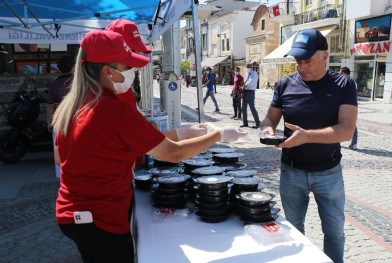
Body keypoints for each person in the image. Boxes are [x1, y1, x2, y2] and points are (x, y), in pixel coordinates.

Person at [52, 30, 248, 262]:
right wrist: (219, 134)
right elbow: (172, 154)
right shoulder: (114, 110)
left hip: (70, 213)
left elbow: (60, 157)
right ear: (108, 71)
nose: (133, 73)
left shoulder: (73, 105)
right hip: (102, 218)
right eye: (128, 68)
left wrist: (182, 133)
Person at [259, 29, 357, 263]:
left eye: (307, 60)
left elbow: (346, 130)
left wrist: (307, 136)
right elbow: (269, 118)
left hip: (329, 173)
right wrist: (267, 130)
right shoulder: (284, 84)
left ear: (325, 56)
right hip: (291, 171)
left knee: (334, 233)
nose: (301, 66)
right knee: (293, 231)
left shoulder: (344, 84)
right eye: (297, 60)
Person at [47, 54, 75, 178]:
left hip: (59, 122)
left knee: (60, 152)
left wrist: (49, 123)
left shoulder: (54, 85)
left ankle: (62, 176)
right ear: (73, 67)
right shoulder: (78, 82)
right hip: (77, 120)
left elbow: (50, 106)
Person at [340, 66, 358, 150]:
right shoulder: (353, 81)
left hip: (344, 105)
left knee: (337, 123)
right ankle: (354, 144)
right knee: (353, 124)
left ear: (343, 73)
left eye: (340, 72)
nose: (339, 74)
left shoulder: (345, 81)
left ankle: (336, 142)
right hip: (353, 106)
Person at [240, 63, 260, 128]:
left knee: (252, 107)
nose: (247, 68)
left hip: (250, 92)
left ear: (251, 67)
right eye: (247, 67)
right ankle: (245, 123)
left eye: (248, 67)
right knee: (243, 108)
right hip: (245, 91)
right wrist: (242, 86)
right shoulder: (247, 73)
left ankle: (257, 123)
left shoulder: (254, 73)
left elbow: (251, 82)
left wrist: (244, 85)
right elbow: (245, 80)